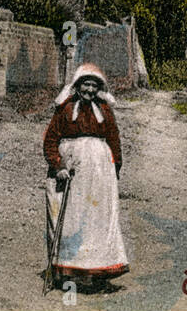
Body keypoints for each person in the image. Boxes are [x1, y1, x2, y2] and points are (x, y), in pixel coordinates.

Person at [42, 63, 129, 290]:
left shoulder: (105, 111)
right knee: (71, 219)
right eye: (86, 84)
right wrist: (58, 165)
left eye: (94, 85)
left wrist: (114, 169)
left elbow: (114, 140)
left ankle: (97, 271)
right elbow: (50, 140)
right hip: (70, 173)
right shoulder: (65, 109)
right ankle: (67, 268)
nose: (89, 90)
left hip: (100, 176)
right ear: (78, 85)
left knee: (97, 220)